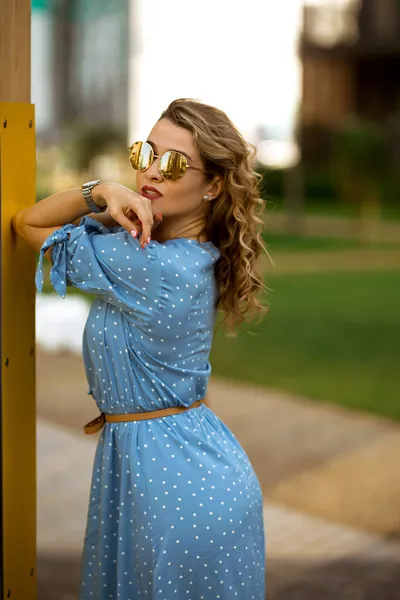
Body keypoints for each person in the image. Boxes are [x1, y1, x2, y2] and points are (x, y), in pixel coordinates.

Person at [12, 98, 267, 599]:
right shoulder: (190, 256)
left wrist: (99, 192)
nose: (151, 171)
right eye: (146, 153)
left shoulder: (150, 263)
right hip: (187, 473)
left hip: (172, 492)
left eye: (173, 164)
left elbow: (27, 225)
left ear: (213, 185)